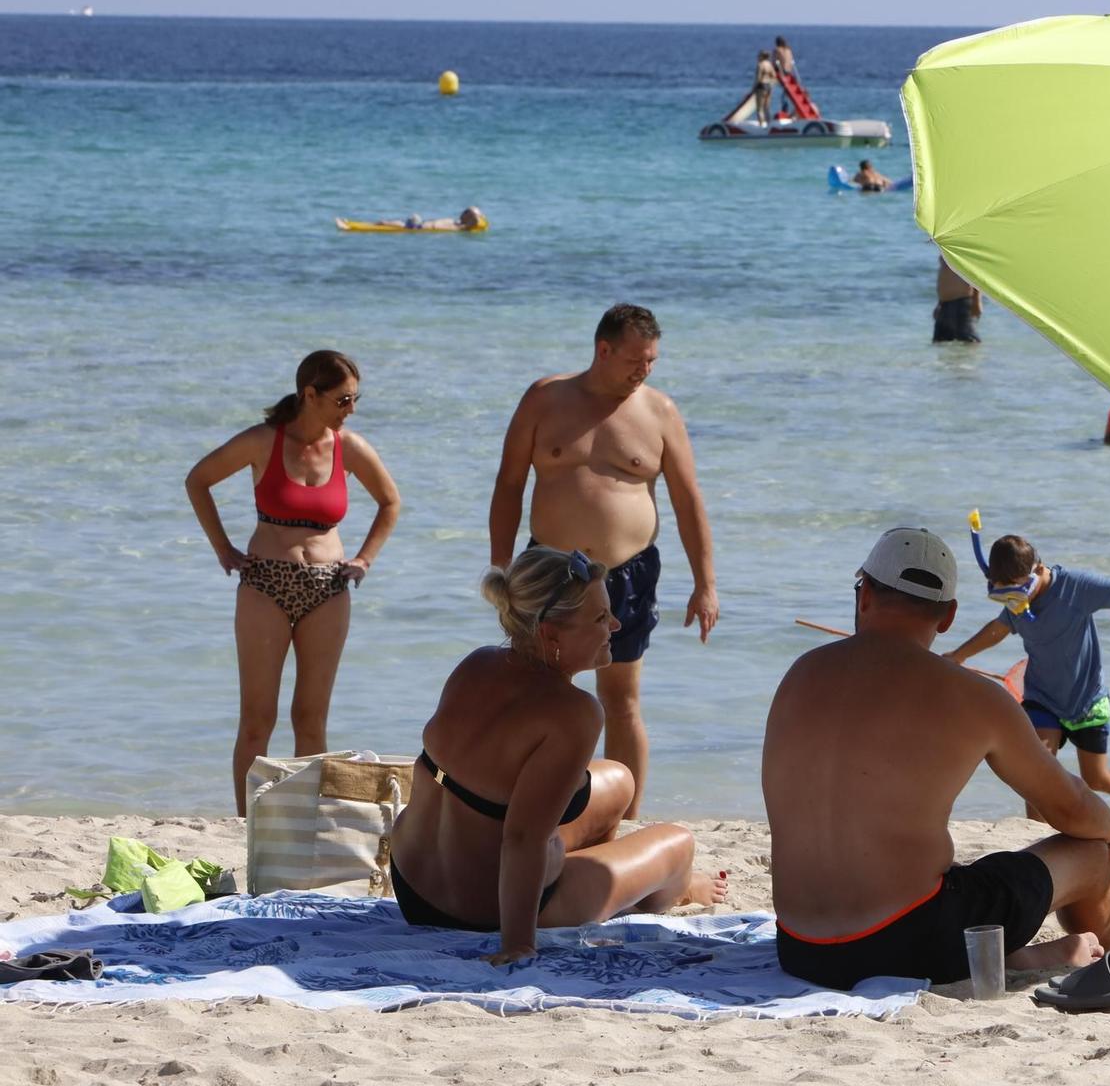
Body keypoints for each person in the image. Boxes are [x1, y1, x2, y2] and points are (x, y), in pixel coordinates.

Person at [763, 528, 1110, 989]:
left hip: (802, 948)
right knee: (1090, 849)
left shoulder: (800, 673)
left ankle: (1028, 955)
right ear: (947, 617)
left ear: (865, 594)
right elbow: (1067, 805)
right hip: (912, 941)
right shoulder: (973, 697)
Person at [388, 546, 727, 965]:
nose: (616, 625)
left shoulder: (477, 664)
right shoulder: (574, 713)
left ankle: (588, 879)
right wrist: (518, 944)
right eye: (601, 618)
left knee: (619, 779)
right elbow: (522, 839)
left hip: (411, 882)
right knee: (679, 844)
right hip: (481, 911)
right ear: (551, 636)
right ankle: (672, 891)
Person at [489, 303, 717, 819]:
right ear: (603, 350)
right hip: (550, 569)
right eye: (637, 359)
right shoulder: (545, 398)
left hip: (629, 570)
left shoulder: (658, 411)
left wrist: (706, 583)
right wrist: (501, 566)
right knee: (540, 691)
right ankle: (535, 806)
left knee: (622, 698)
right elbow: (508, 485)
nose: (646, 369)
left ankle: (625, 818)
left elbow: (688, 500)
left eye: (653, 360)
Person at [185, 350, 401, 814]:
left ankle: (304, 822)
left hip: (328, 588)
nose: (351, 409)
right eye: (343, 399)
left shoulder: (351, 447)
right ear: (310, 394)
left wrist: (364, 558)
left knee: (310, 718)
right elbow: (198, 480)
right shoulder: (263, 441)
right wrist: (222, 548)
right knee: (257, 720)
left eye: (355, 399)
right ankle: (246, 823)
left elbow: (390, 502)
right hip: (265, 581)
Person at [945, 532, 1110, 818]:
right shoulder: (1014, 599)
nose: (1013, 598)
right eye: (1004, 592)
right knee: (1035, 772)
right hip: (1042, 698)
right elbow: (998, 629)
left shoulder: (1074, 589)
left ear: (1038, 569)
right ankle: (1038, 840)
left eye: (1019, 588)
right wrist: (959, 655)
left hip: (1086, 700)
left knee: (1097, 779)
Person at [932, 257, 983, 343]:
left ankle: (976, 356)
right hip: (944, 305)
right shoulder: (946, 248)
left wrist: (977, 300)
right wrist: (939, 303)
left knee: (970, 340)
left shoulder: (963, 248)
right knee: (939, 342)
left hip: (963, 303)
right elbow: (945, 278)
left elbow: (976, 273)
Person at [753, 51, 778, 125]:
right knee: (766, 107)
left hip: (761, 86)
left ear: (761, 56)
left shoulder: (760, 65)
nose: (757, 58)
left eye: (758, 56)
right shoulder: (769, 64)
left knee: (759, 108)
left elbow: (758, 78)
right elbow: (774, 76)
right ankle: (769, 124)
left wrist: (753, 89)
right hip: (768, 86)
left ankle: (761, 125)